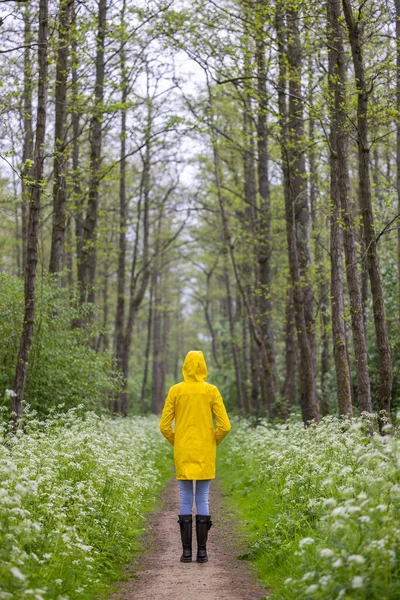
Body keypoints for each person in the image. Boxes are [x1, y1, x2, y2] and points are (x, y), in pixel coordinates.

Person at [159, 350, 231, 563]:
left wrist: (177, 441)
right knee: (202, 498)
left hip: (183, 451)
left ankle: (186, 553)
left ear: (185, 366)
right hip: (205, 452)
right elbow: (225, 426)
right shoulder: (211, 391)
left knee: (185, 498)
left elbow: (164, 426)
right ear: (203, 366)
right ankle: (202, 552)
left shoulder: (175, 390)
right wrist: (213, 441)